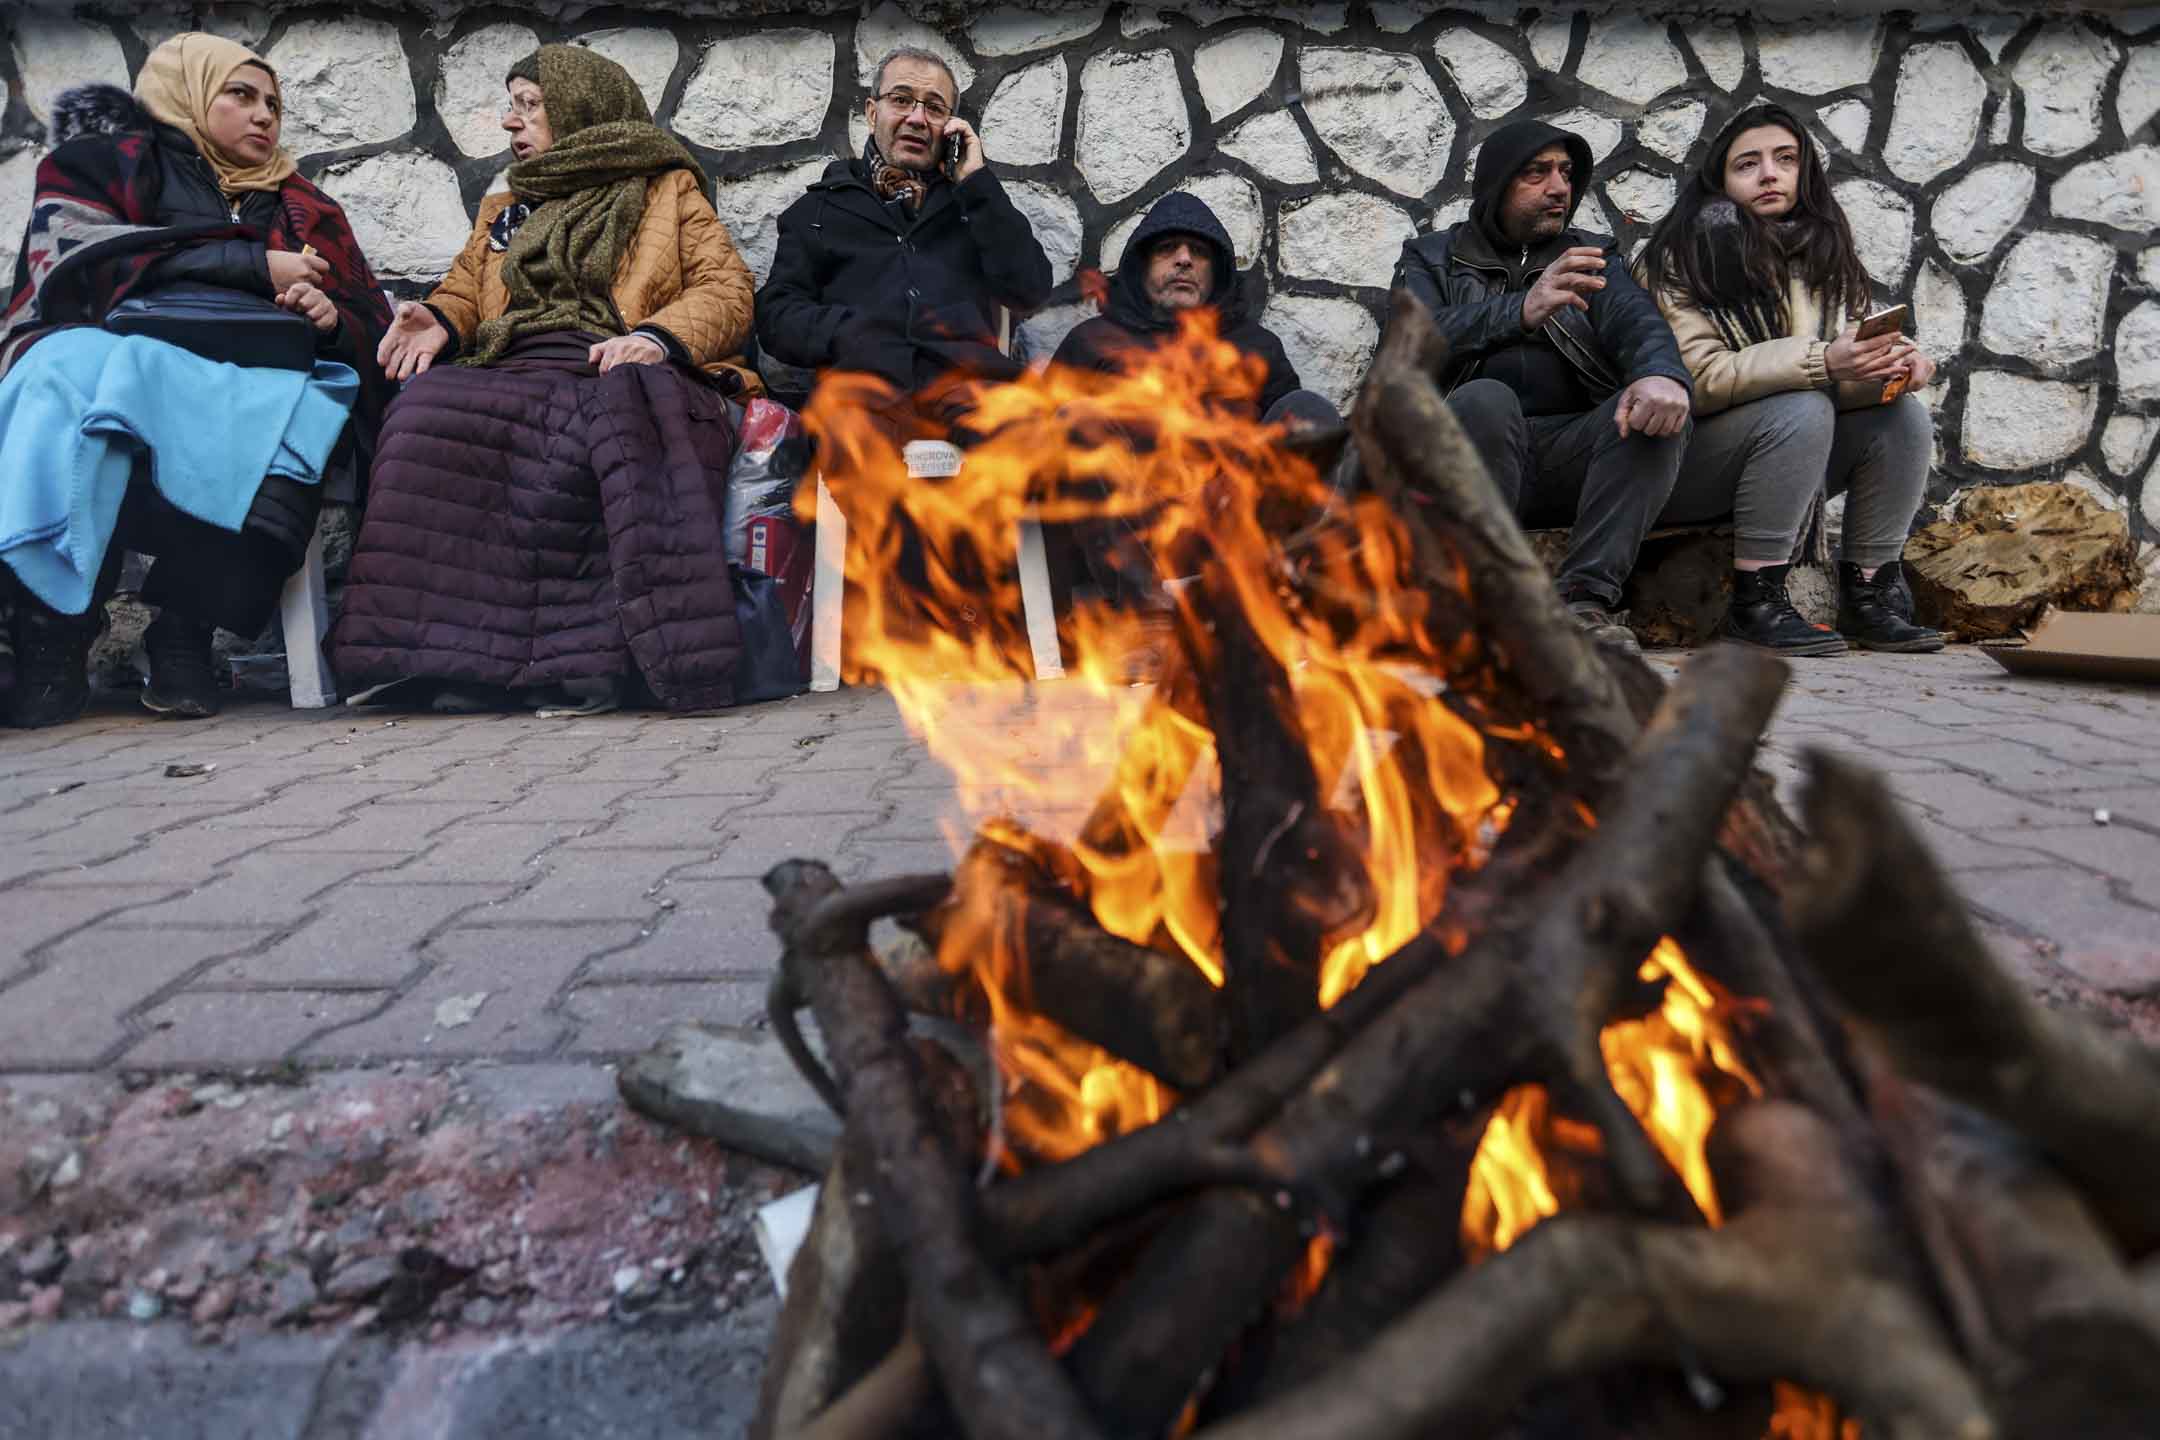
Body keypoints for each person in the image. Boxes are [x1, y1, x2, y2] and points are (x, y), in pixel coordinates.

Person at [330, 44, 762, 714]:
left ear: (579, 107)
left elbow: (727, 291)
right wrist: (440, 318)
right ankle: (442, 659)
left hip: (610, 357)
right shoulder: (507, 204)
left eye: (530, 105)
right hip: (519, 360)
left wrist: (652, 338)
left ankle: (583, 665)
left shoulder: (665, 189)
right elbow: (469, 289)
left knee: (604, 419)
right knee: (421, 411)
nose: (511, 122)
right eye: (514, 105)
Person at [0, 33, 391, 728]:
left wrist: (329, 317)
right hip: (125, 379)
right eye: (240, 95)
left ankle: (184, 631)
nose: (265, 115)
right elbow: (73, 262)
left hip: (251, 386)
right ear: (184, 92)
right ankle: (53, 641)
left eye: (273, 102)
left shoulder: (305, 205)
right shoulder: (103, 166)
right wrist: (254, 269)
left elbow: (371, 319)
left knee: (303, 414)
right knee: (79, 385)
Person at [1637, 104, 1942, 655]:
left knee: (1900, 417)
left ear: (1806, 174)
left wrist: (1890, 369)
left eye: (1785, 159)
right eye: (1747, 164)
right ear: (1721, 181)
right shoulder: (1677, 260)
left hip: (1786, 454)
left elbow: (1840, 366)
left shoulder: (1822, 254)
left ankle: (1871, 597)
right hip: (1681, 464)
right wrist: (1823, 361)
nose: (1770, 174)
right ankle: (1757, 603)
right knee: (1802, 408)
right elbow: (1697, 379)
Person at [1393, 119, 1694, 652]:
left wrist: (1660, 374)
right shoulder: (1432, 257)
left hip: (1564, 459)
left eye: (1566, 173)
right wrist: (1521, 309)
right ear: (1497, 185)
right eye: (1537, 173)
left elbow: (1637, 322)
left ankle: (1585, 601)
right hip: (1464, 458)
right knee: (1487, 398)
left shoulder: (1591, 254)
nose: (1559, 187)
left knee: (1652, 403)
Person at [1050, 190, 1337, 608]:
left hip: (1231, 522)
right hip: (1129, 525)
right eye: (1167, 249)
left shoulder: (1255, 346)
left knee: (1311, 414)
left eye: (1198, 252)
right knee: (1075, 418)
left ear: (1216, 271)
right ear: (1142, 265)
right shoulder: (1093, 342)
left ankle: (1281, 601)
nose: (1183, 259)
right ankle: (1145, 611)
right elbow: (1042, 444)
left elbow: (1294, 434)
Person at [755, 45, 1052, 424]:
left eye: (934, 107)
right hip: (861, 396)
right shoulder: (818, 211)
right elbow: (776, 315)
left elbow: (1030, 290)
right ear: (871, 111)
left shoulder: (975, 205)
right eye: (901, 100)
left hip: (973, 395)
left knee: (1041, 446)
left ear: (950, 126)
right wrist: (848, 332)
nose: (917, 118)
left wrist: (976, 184)